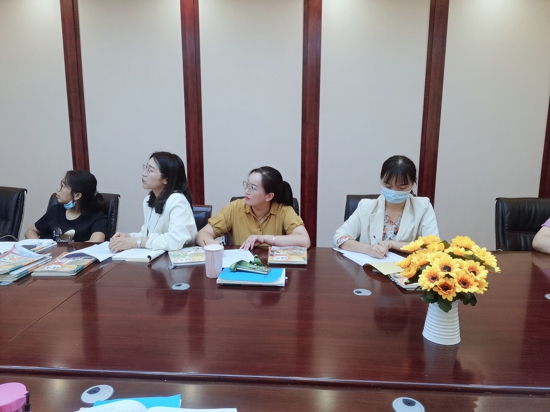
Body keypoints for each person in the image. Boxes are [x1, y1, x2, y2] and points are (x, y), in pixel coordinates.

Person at [333, 155, 439, 258]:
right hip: (369, 268)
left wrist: (392, 244)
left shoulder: (423, 207)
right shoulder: (366, 207)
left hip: (407, 268)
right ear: (381, 180)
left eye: (402, 187)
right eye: (388, 186)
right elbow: (339, 238)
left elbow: (433, 246)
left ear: (413, 183)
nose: (394, 191)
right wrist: (369, 249)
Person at [196, 166, 311, 250]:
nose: (247, 191)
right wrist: (213, 245)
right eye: (247, 185)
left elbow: (305, 241)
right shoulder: (235, 208)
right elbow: (202, 234)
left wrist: (265, 239)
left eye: (253, 188)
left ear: (269, 196)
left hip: (275, 268)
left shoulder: (284, 211)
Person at [109, 151, 197, 252]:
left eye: (150, 170)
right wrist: (128, 237)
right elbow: (148, 235)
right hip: (157, 258)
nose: (143, 173)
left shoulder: (177, 200)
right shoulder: (149, 200)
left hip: (178, 259)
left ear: (166, 179)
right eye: (145, 167)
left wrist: (135, 242)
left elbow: (174, 241)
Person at [25, 170, 108, 242]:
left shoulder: (98, 217)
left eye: (63, 186)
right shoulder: (55, 211)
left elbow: (95, 243)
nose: (58, 188)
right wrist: (41, 246)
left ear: (77, 195)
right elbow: (30, 231)